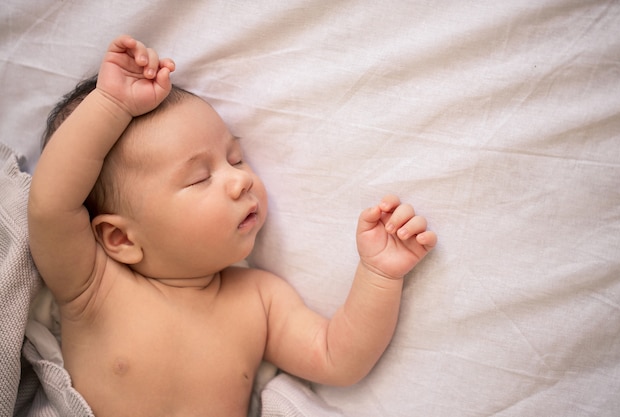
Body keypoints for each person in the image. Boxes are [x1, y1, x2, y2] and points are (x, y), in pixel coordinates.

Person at [28, 35, 437, 417]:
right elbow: (51, 205)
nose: (241, 179)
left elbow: (337, 358)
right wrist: (111, 105)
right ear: (120, 238)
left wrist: (379, 274)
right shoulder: (94, 288)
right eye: (200, 178)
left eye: (236, 158)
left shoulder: (260, 299)